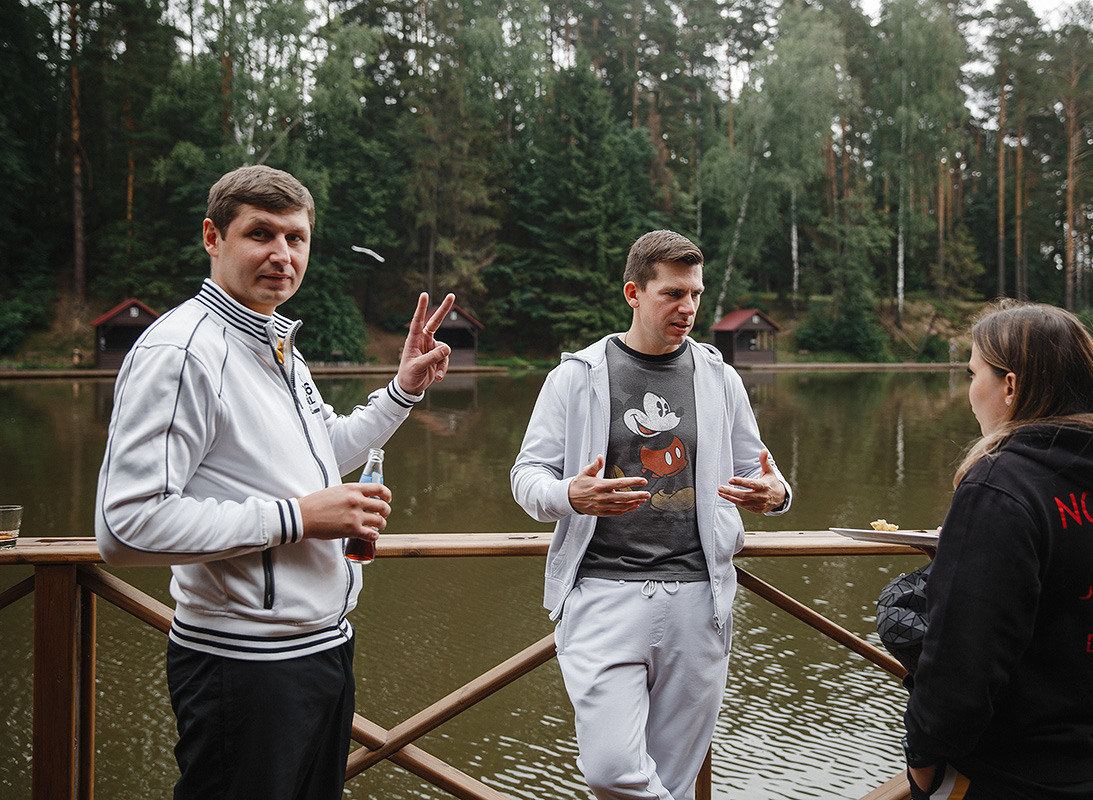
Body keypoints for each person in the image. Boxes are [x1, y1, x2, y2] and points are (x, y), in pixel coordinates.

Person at [95, 164, 455, 800]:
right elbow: (127, 527)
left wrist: (401, 393)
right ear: (213, 237)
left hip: (323, 649)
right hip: (242, 665)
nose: (282, 255)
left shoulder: (276, 344)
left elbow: (327, 454)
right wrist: (300, 517)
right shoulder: (183, 352)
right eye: (260, 234)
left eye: (297, 238)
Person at [511, 230, 792, 800]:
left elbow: (764, 471)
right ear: (633, 293)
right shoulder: (577, 375)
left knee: (677, 779)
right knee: (612, 771)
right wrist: (572, 495)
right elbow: (526, 476)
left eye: (695, 293)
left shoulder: (719, 376)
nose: (688, 308)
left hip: (699, 597)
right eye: (672, 294)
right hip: (602, 595)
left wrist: (775, 495)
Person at [902, 301, 1093, 800]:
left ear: (1011, 386)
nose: (969, 391)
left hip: (1001, 774)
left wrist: (922, 765)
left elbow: (961, 660)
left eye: (974, 373)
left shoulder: (1000, 484)